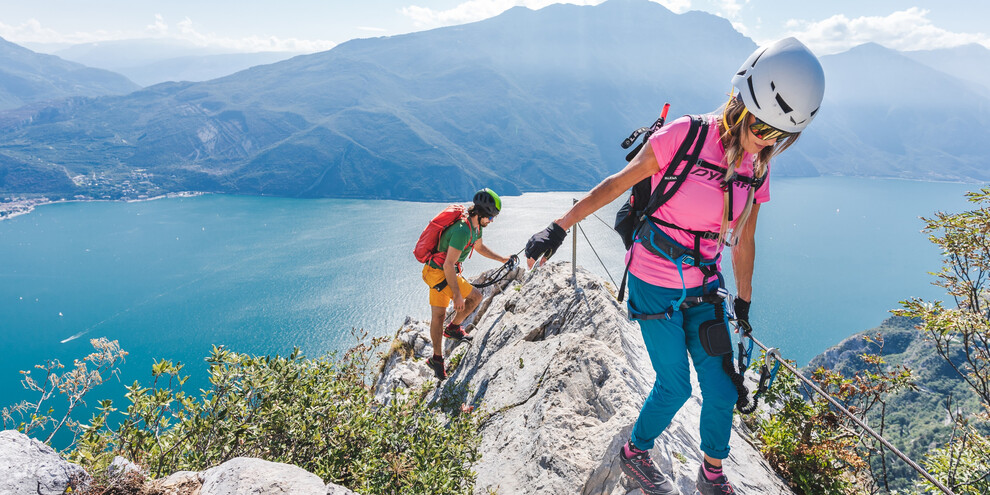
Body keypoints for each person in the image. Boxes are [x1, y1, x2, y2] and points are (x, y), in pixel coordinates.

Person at [524, 38, 825, 495]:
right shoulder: (686, 135)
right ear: (741, 102)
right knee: (675, 387)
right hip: (654, 280)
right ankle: (634, 452)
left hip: (705, 285)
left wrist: (743, 304)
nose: (767, 141)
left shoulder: (758, 168)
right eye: (763, 128)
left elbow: (744, 240)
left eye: (781, 137)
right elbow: (616, 184)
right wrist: (559, 226)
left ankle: (712, 473)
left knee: (723, 390)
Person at [422, 188, 517, 381]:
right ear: (482, 213)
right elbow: (449, 264)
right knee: (474, 297)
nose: (492, 221)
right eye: (490, 217)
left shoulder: (475, 228)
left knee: (440, 316)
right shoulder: (462, 231)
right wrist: (457, 295)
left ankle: (440, 353)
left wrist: (502, 259)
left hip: (438, 271)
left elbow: (479, 247)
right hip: (439, 273)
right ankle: (449, 337)